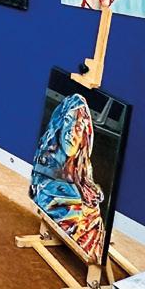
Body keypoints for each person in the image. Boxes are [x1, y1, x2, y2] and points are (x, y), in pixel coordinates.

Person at [29, 93, 105, 262]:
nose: (71, 132)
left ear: (85, 134)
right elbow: (46, 197)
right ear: (60, 124)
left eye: (78, 126)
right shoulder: (46, 164)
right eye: (68, 121)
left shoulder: (82, 168)